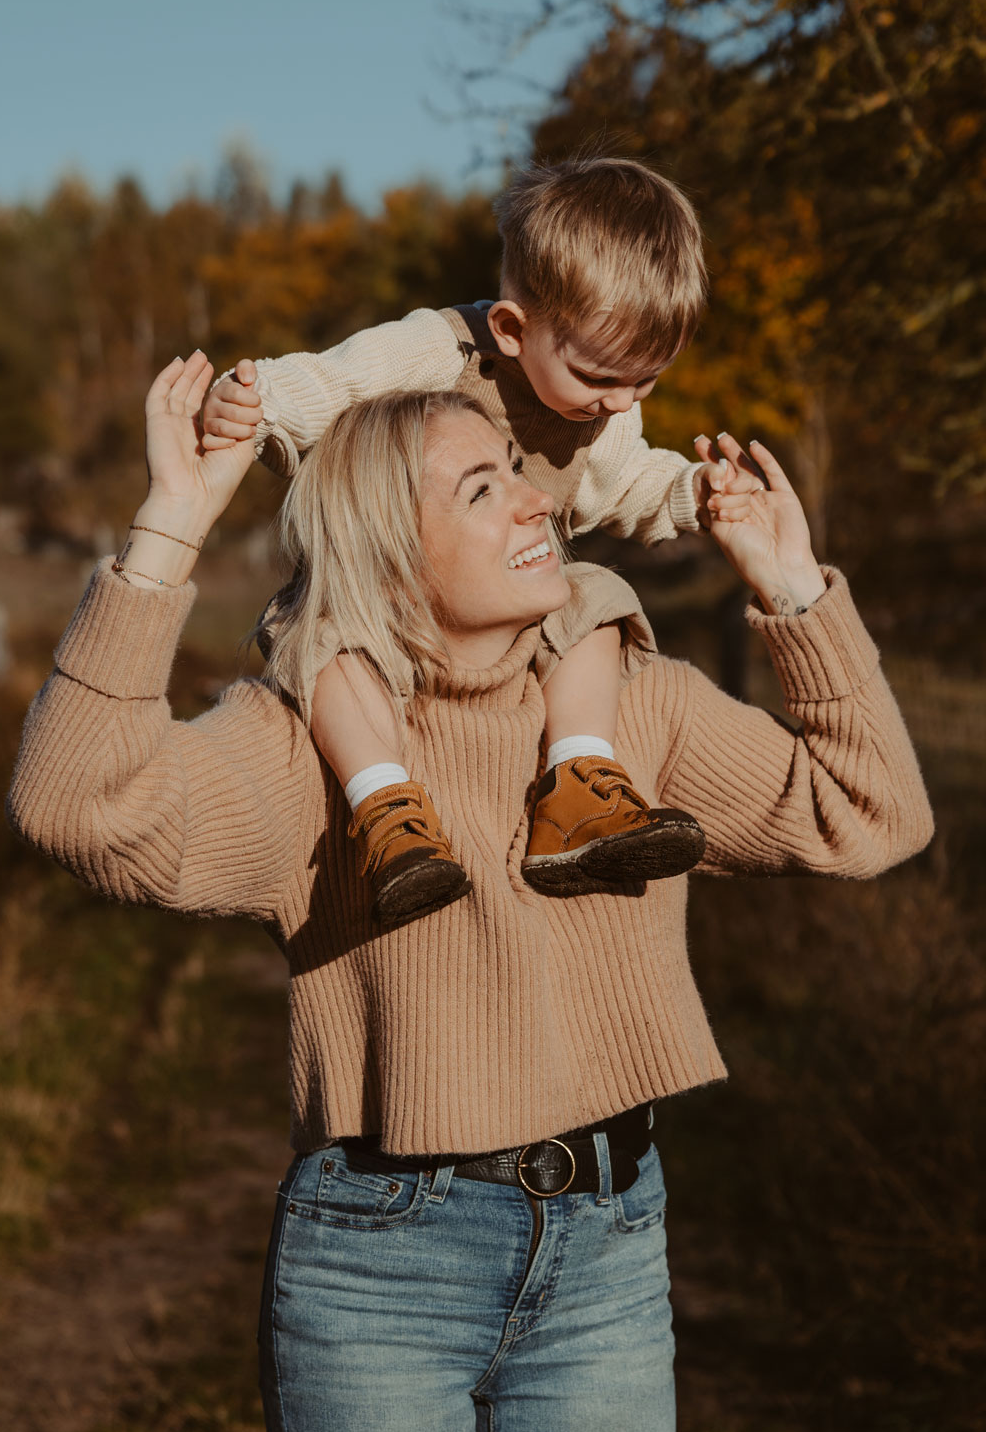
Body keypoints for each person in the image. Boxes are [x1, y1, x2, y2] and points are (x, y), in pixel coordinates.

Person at [8, 354, 933, 1432]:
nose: (537, 498)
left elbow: (873, 813)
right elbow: (72, 806)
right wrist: (168, 529)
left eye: (516, 473)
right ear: (389, 552)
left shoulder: (641, 708)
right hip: (379, 1271)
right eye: (482, 488)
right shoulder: (296, 740)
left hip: (608, 1253)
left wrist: (793, 591)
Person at [202, 157, 764, 923]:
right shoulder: (433, 355)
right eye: (602, 378)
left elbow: (623, 480)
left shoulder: (603, 404)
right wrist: (252, 403)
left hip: (496, 614)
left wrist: (693, 494)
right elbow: (328, 386)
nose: (622, 401)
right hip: (380, 594)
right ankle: (385, 810)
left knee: (596, 596)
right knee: (316, 634)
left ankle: (578, 778)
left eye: (647, 381)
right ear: (511, 327)